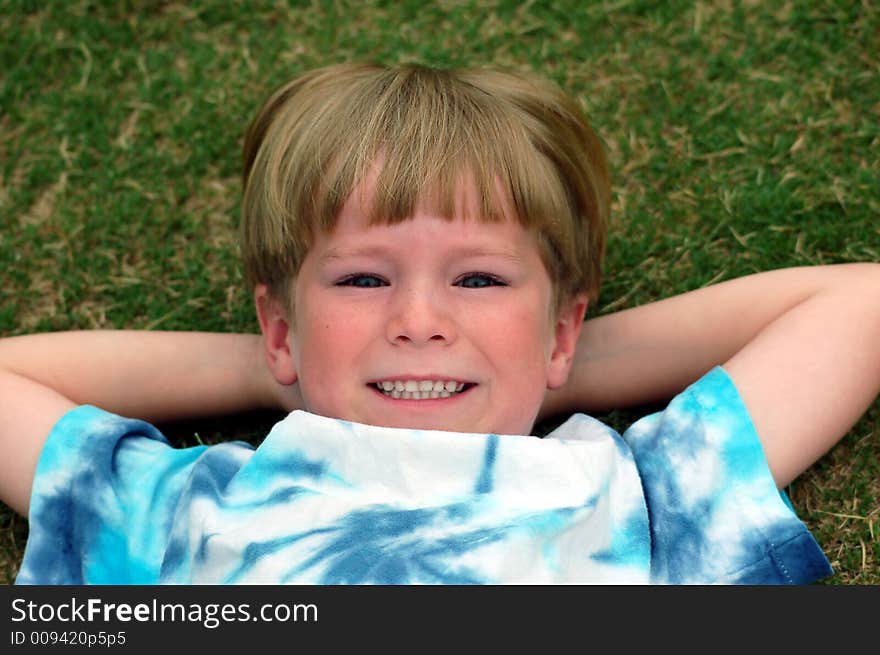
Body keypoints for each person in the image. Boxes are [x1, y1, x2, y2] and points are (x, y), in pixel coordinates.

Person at [1, 62, 878, 584]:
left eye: (479, 278)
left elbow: (858, 305)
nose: (419, 320)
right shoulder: (181, 510)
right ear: (279, 328)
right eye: (362, 279)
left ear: (565, 329)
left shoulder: (639, 495)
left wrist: (540, 359)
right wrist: (282, 363)